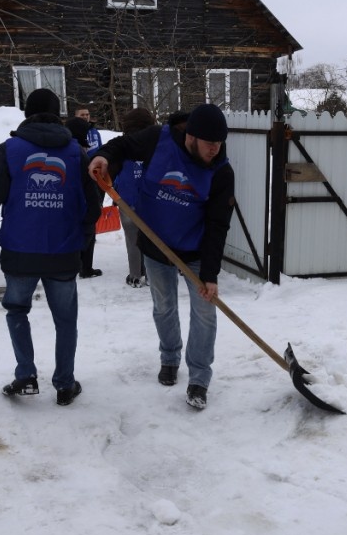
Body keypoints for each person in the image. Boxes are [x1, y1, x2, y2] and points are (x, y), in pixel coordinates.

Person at [89, 103, 235, 410]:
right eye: (210, 143)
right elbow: (121, 146)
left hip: (195, 249)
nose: (215, 149)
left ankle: (199, 378)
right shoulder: (159, 139)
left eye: (220, 143)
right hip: (156, 245)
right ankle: (169, 358)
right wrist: (104, 159)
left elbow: (218, 225)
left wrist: (209, 274)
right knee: (164, 306)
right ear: (191, 137)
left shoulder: (221, 172)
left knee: (205, 312)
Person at [0, 88, 102, 406]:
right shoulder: (75, 153)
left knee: (16, 311)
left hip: (20, 250)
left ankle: (26, 375)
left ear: (26, 114)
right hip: (63, 252)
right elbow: (91, 209)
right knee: (65, 320)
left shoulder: (10, 149)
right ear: (58, 114)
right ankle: (65, 384)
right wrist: (79, 238)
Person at [114, 107, 157, 288]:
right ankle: (151, 274)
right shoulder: (155, 145)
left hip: (126, 199)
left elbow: (115, 173)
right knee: (152, 238)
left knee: (132, 238)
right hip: (150, 200)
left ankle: (135, 275)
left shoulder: (123, 145)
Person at [65, 116, 102, 279]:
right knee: (87, 232)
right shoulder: (78, 151)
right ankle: (84, 267)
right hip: (80, 201)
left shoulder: (65, 147)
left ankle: (83, 266)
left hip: (69, 201)